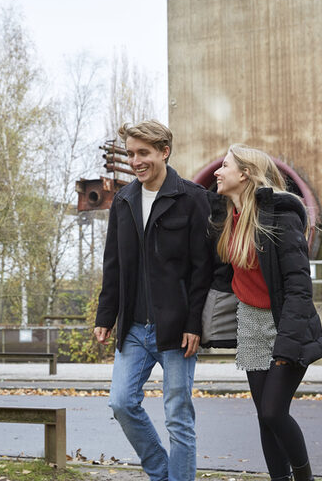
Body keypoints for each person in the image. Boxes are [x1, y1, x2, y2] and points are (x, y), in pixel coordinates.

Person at [94, 119, 212, 481]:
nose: (135, 161)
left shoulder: (192, 198)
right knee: (121, 403)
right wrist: (106, 315)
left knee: (178, 416)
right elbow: (113, 264)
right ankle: (163, 472)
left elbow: (202, 270)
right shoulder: (125, 201)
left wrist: (194, 323)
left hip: (176, 329)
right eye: (130, 153)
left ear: (164, 151)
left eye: (143, 153)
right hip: (133, 326)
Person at [212, 144, 322, 481]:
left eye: (225, 166)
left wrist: (287, 346)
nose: (217, 171)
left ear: (244, 174)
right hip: (251, 323)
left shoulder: (279, 215)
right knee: (263, 416)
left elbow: (299, 286)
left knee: (274, 412)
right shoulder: (227, 217)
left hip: (285, 325)